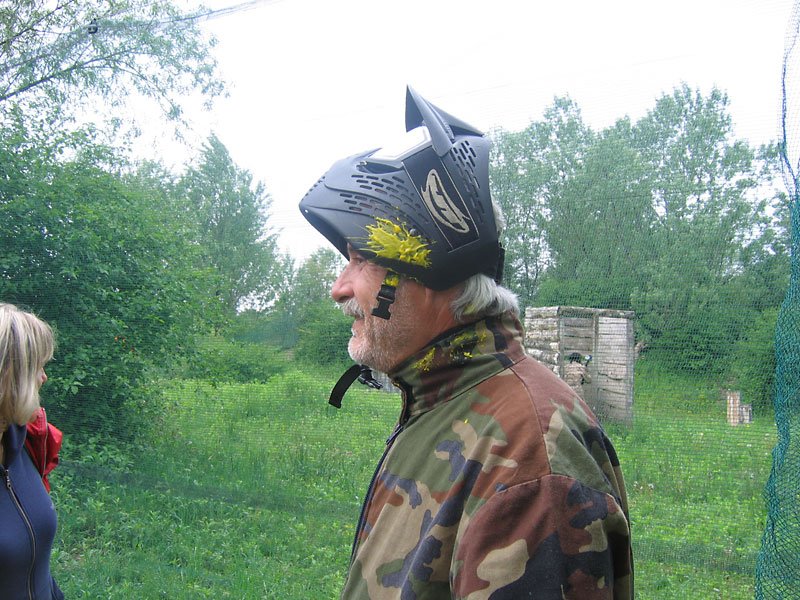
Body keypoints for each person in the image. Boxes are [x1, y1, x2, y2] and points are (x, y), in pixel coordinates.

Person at [299, 87, 633, 599]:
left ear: (431, 270)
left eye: (361, 259)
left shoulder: (531, 464)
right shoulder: (444, 403)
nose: (339, 288)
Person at [0, 303, 64, 600]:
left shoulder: (24, 442)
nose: (44, 378)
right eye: (38, 366)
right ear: (10, 374)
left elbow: (36, 565)